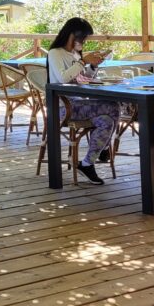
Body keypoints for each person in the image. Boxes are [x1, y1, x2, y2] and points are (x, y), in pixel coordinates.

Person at [46, 18, 119, 185]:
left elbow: (81, 80)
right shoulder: (55, 53)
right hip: (63, 106)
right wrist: (84, 61)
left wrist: (92, 66)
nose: (85, 41)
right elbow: (63, 78)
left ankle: (87, 163)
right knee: (113, 106)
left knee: (107, 121)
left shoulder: (75, 54)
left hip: (79, 104)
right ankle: (105, 148)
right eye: (84, 37)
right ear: (73, 35)